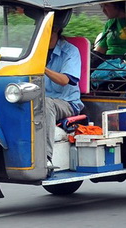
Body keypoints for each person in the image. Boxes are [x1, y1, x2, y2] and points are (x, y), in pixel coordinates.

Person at [45, 18, 84, 166]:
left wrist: (43, 68)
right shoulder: (35, 51)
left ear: (55, 30)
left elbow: (65, 80)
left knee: (46, 104)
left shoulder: (70, 51)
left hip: (67, 102)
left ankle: (46, 158)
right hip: (41, 99)